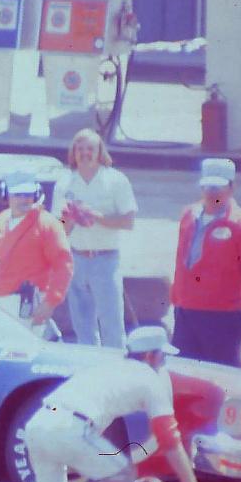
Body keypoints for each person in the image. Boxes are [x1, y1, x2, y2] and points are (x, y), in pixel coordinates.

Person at [0, 326, 203, 482]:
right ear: (150, 355)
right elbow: (169, 440)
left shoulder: (107, 368)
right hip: (70, 426)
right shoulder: (150, 379)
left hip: (41, 420)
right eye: (163, 356)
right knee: (123, 474)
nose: (164, 363)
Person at [170, 158, 241, 367]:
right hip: (187, 312)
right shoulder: (188, 215)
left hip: (224, 317)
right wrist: (177, 300)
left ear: (231, 188)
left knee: (221, 377)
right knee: (184, 374)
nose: (211, 193)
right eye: (207, 187)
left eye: (217, 188)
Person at [53, 129, 137, 348]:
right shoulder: (64, 183)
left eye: (90, 148)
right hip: (75, 259)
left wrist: (96, 217)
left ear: (100, 151)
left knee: (112, 326)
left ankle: (115, 367)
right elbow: (58, 231)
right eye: (79, 149)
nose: (84, 153)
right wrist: (70, 219)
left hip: (105, 260)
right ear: (73, 153)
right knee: (83, 328)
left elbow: (128, 222)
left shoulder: (116, 180)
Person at [0, 171, 73, 337]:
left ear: (36, 194)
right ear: (5, 195)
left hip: (28, 305)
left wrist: (50, 302)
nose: (23, 199)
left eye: (28, 194)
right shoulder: (0, 220)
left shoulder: (48, 224)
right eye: (18, 195)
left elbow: (63, 265)